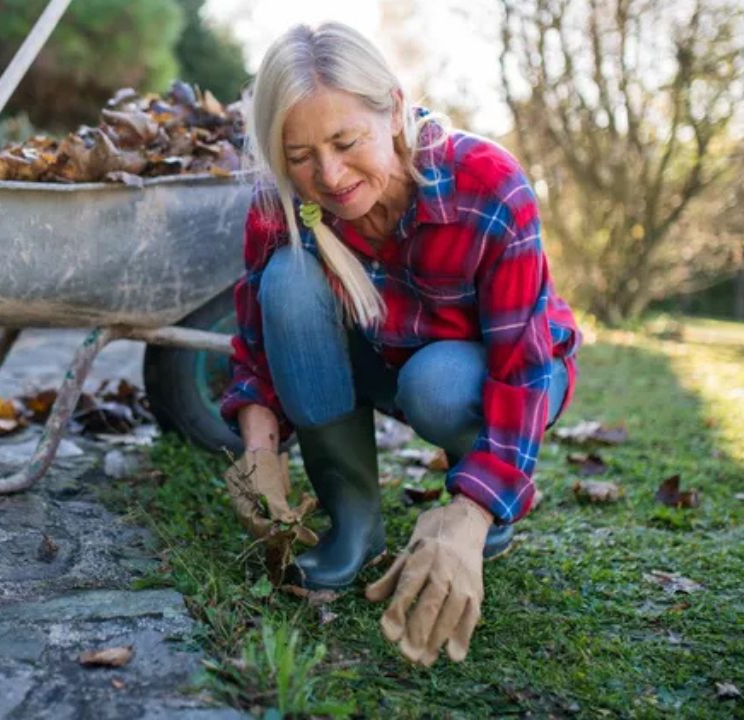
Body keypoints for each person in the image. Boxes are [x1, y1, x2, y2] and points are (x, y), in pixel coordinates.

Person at [218, 22, 581, 667]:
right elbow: (253, 340)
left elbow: (522, 368)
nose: (327, 175)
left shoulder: (488, 186)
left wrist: (467, 516)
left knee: (436, 384)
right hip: (384, 357)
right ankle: (354, 522)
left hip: (495, 376)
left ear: (392, 108)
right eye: (298, 155)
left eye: (345, 141)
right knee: (290, 281)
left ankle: (486, 506)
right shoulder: (281, 204)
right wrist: (259, 447)